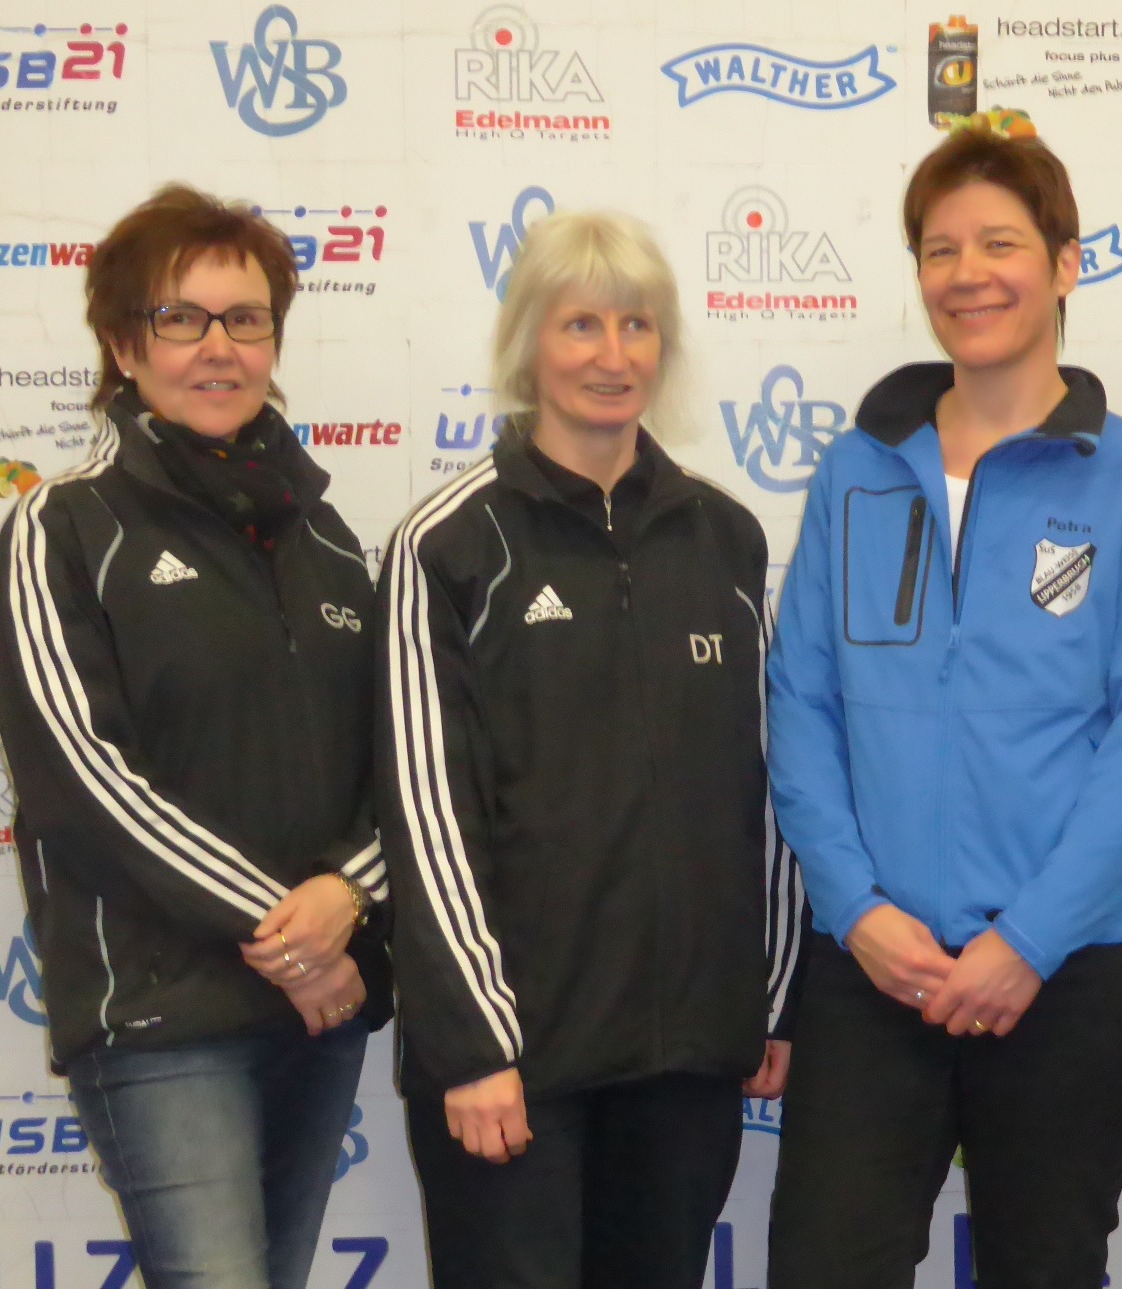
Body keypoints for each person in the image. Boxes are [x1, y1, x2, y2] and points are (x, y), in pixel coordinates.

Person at [764, 123, 1122, 1289]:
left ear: (1064, 264)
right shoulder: (856, 469)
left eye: (999, 244)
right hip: (878, 964)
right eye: (940, 249)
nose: (967, 274)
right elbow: (801, 703)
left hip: (1076, 968)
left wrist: (1026, 940)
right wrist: (856, 911)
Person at [376, 210, 805, 1288]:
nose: (612, 355)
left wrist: (771, 996)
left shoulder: (726, 537)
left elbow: (770, 784)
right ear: (529, 342)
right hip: (517, 1060)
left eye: (636, 325)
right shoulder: (448, 544)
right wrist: (473, 1043)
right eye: (580, 325)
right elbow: (427, 812)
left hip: (684, 1056)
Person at [0, 183, 390, 1289]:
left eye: (244, 318)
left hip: (320, 1007)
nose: (218, 347)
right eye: (181, 318)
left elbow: (402, 766)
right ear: (124, 345)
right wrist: (290, 933)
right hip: (165, 1012)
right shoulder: (63, 527)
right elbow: (84, 781)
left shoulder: (329, 541)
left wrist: (346, 899)